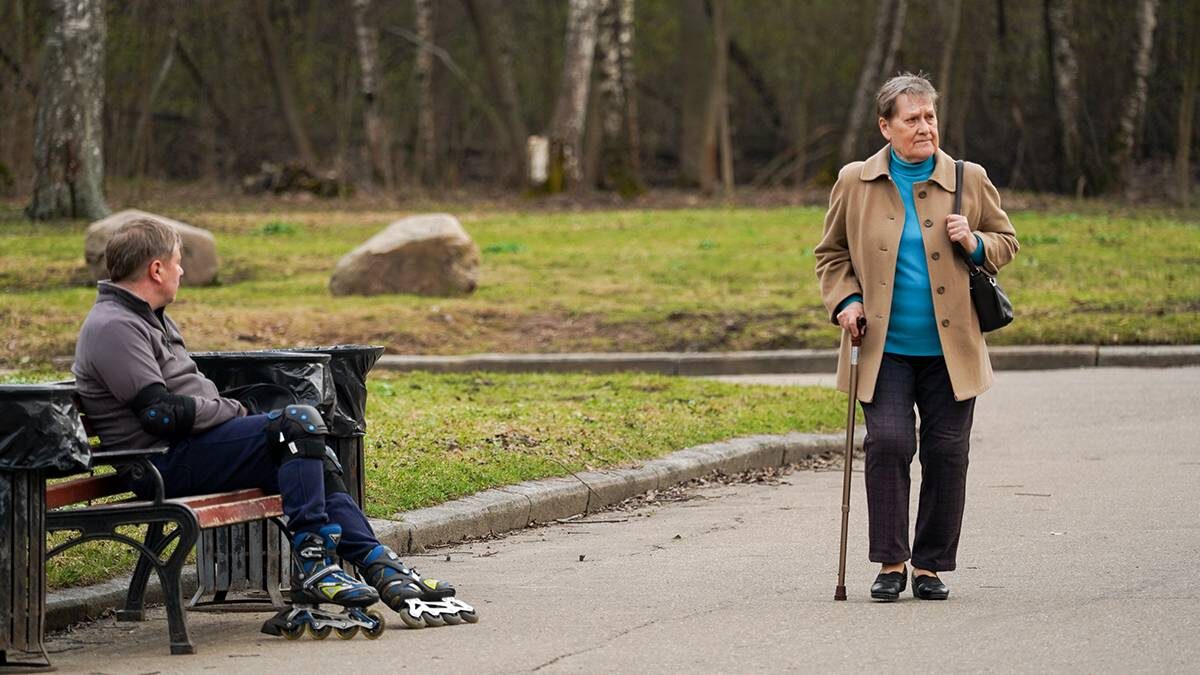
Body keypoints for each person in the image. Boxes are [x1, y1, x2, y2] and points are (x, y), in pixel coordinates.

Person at [72, 217, 474, 631]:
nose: (182, 270)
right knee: (296, 424)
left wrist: (227, 410)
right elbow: (159, 415)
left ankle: (377, 564)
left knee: (312, 448)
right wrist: (234, 410)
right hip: (161, 464)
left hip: (192, 451)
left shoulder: (149, 316)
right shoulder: (115, 325)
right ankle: (316, 564)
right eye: (177, 261)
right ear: (156, 269)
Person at [814, 72, 1018, 601]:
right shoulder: (854, 181)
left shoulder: (967, 178)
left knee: (948, 453)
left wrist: (974, 242)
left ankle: (929, 566)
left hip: (952, 351)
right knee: (889, 444)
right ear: (886, 127)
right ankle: (891, 561)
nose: (925, 127)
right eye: (912, 119)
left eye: (930, 116)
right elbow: (831, 254)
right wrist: (846, 301)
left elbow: (1006, 241)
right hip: (883, 349)